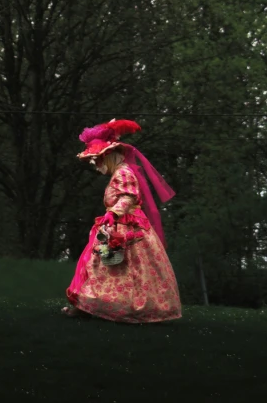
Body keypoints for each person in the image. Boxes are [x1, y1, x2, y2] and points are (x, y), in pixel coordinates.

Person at [62, 118, 182, 323]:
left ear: (109, 156)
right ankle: (90, 306)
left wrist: (114, 213)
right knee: (104, 263)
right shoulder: (120, 172)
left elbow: (128, 197)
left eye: (97, 159)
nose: (95, 164)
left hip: (127, 224)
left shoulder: (124, 172)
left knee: (124, 265)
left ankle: (123, 309)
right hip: (116, 222)